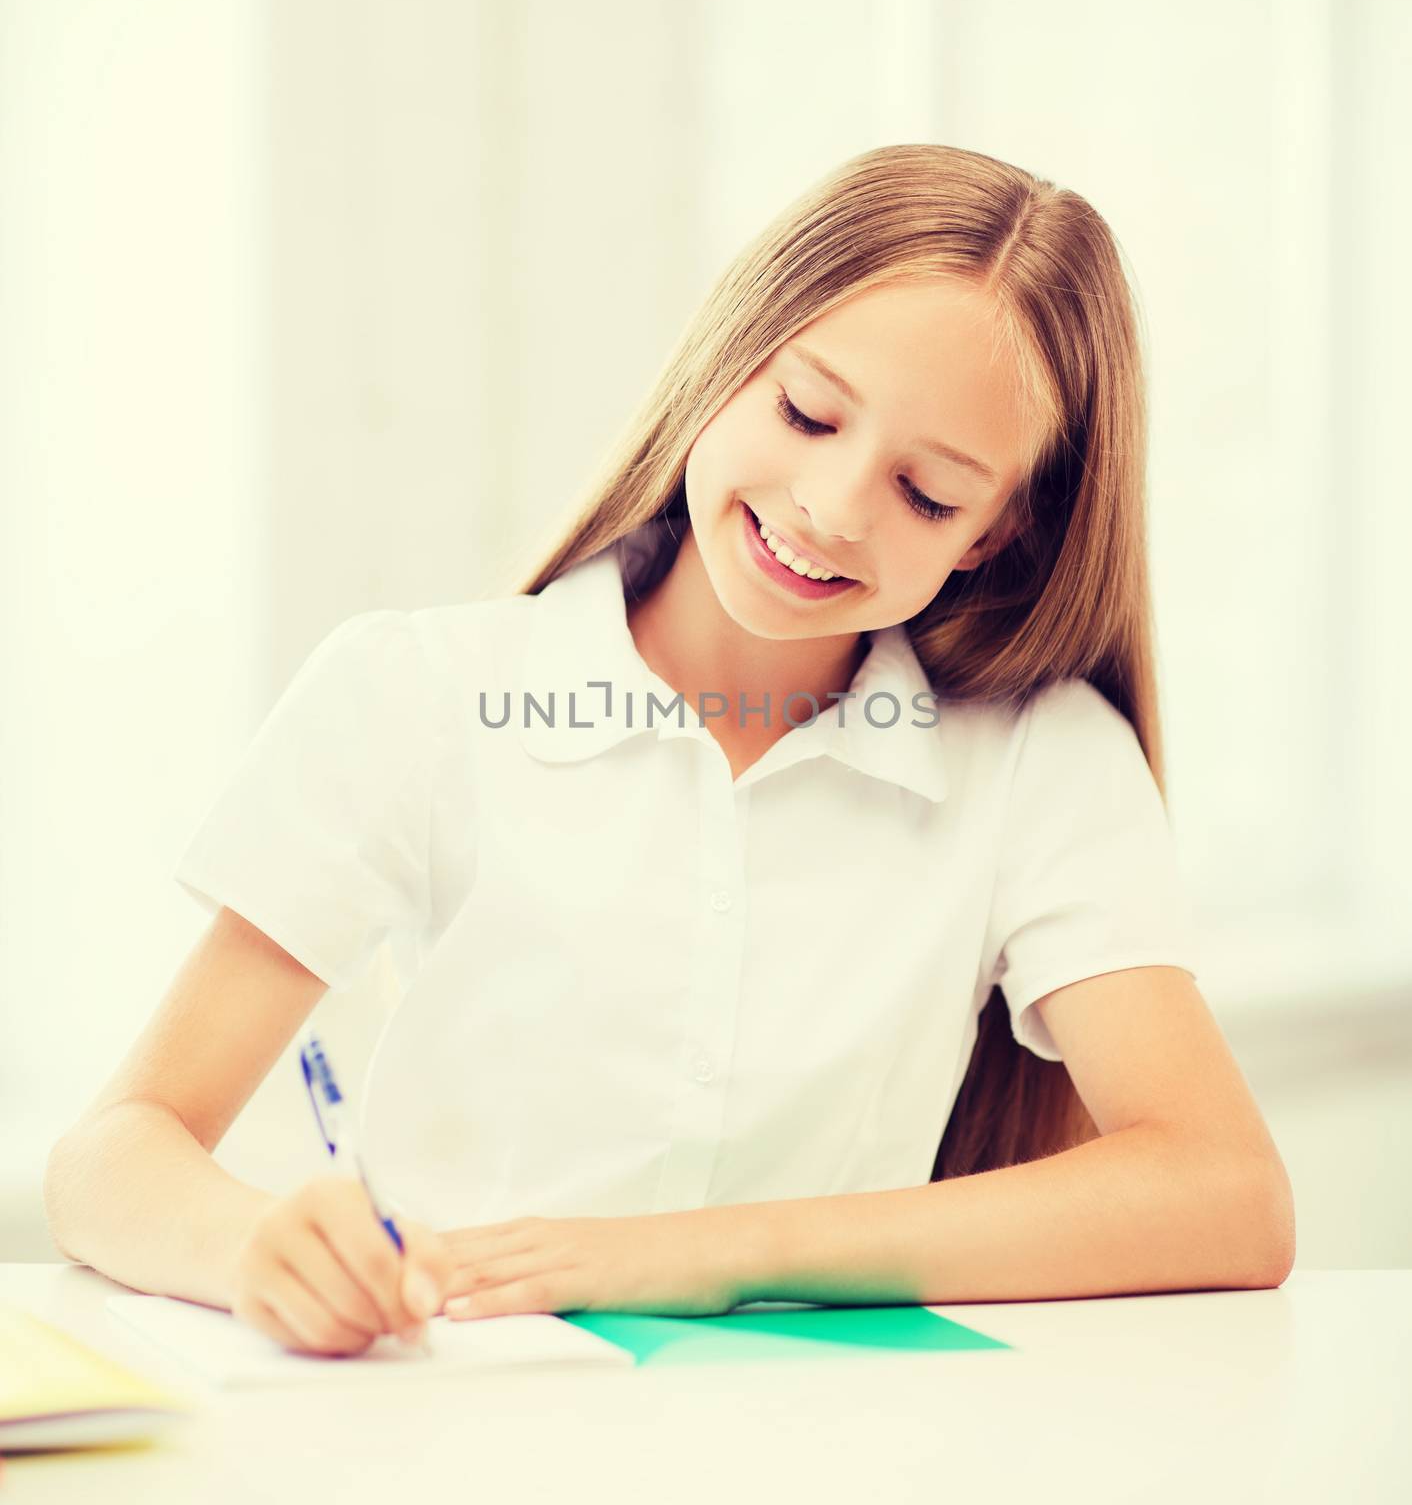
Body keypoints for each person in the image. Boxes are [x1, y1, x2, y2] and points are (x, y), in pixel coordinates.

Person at [43, 144, 1295, 1358]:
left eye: (927, 495)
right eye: (807, 412)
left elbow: (1223, 1191)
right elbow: (110, 1156)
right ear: (728, 360)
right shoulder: (415, 690)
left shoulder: (1039, 761)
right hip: (466, 1426)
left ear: (993, 534)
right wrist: (253, 1247)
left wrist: (699, 1253)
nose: (830, 506)